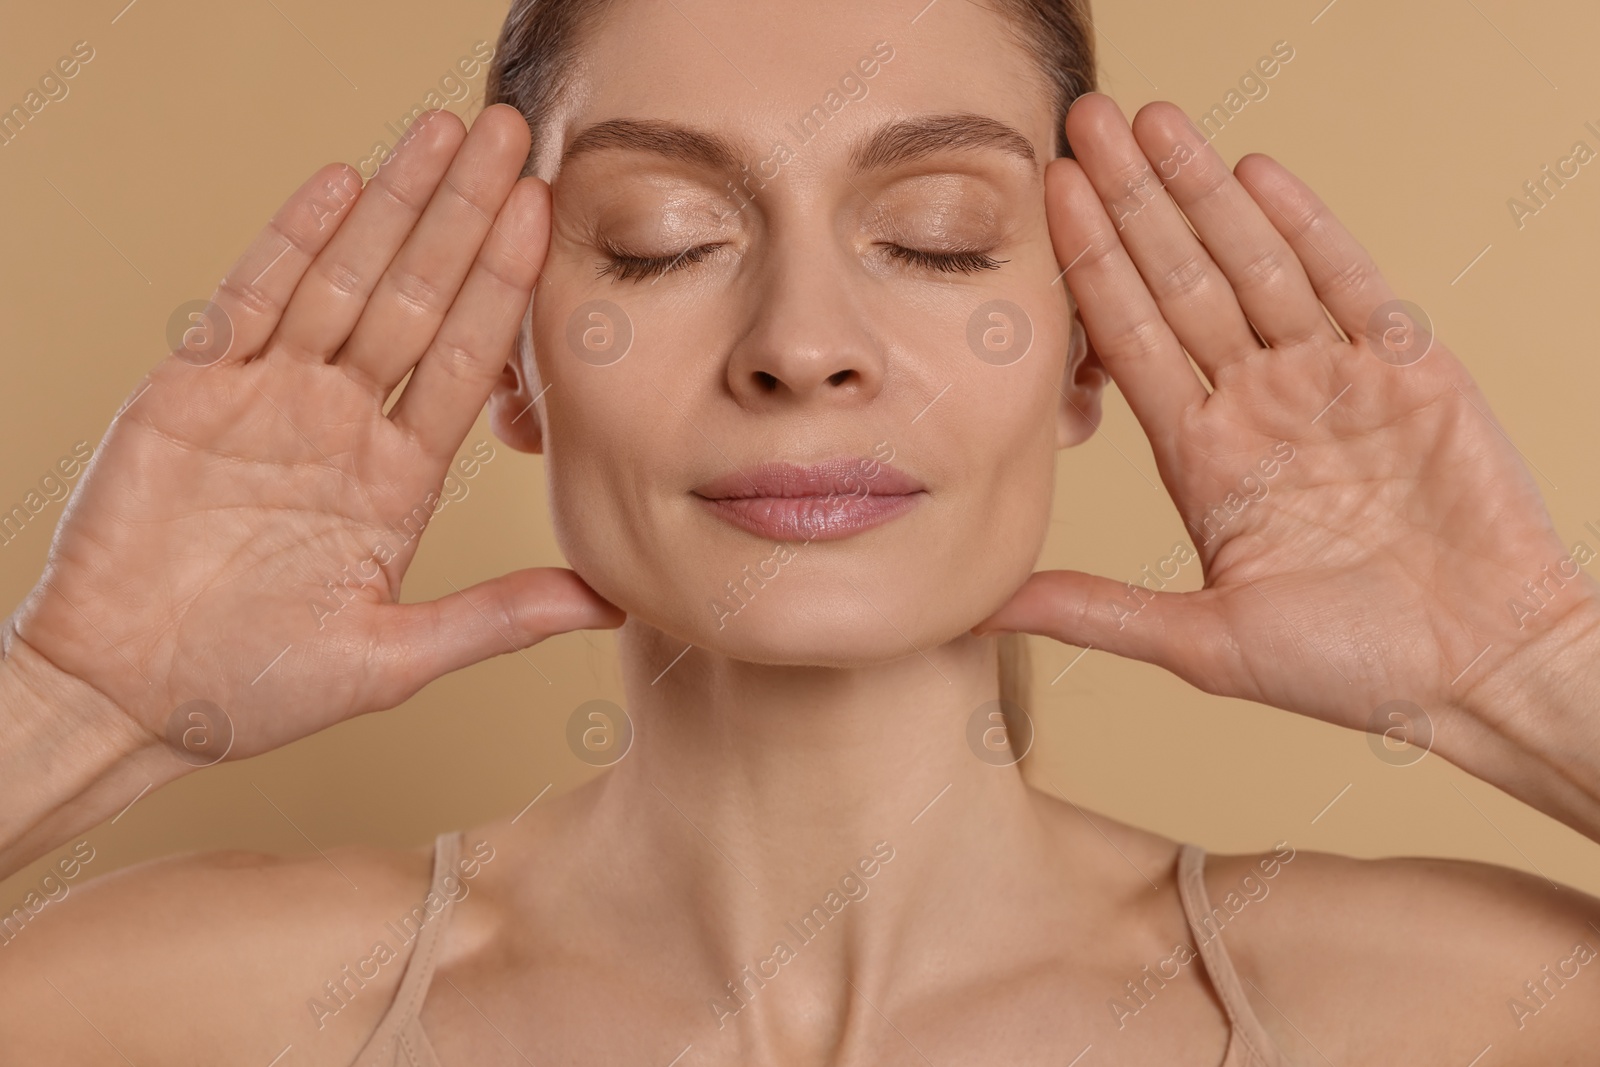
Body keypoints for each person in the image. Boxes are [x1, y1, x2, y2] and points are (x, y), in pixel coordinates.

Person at [2, 0, 1598, 1061]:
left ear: (1090, 343)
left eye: (939, 239)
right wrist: (70, 708)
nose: (803, 341)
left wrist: (1530, 675)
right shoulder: (196, 1012)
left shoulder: (1439, 1011)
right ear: (512, 355)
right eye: (658, 241)